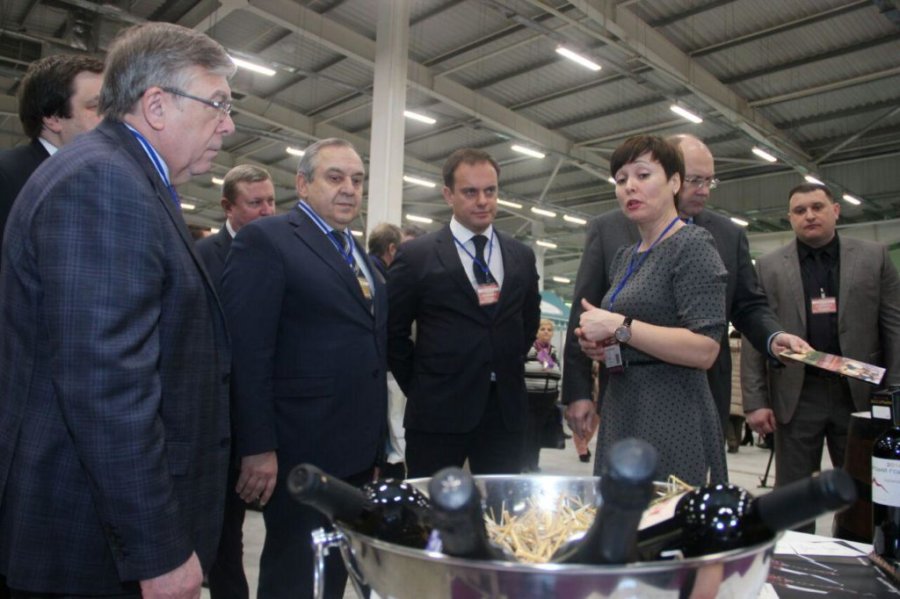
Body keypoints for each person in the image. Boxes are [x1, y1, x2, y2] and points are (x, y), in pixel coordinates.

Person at [0, 21, 235, 597]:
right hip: (86, 539)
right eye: (218, 104)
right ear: (156, 105)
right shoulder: (104, 182)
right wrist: (158, 551)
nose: (228, 125)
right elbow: (107, 388)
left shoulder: (125, 176)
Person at [563, 134, 808, 462]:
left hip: (690, 397)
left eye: (709, 181)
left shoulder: (720, 236)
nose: (703, 190)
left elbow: (746, 305)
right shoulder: (615, 239)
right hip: (625, 396)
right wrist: (587, 368)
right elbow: (587, 306)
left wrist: (772, 336)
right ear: (675, 175)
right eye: (695, 179)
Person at [222, 138, 387, 599]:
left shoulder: (357, 253)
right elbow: (247, 352)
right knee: (294, 575)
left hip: (355, 453)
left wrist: (376, 449)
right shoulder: (267, 240)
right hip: (299, 447)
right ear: (302, 184)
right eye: (335, 177)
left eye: (357, 180)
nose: (349, 188)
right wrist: (257, 446)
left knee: (333, 572)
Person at [741, 183, 900, 529]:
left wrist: (895, 393)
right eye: (800, 211)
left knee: (862, 491)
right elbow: (755, 338)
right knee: (794, 495)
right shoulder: (768, 266)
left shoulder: (874, 257)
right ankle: (793, 556)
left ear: (835, 210)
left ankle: (861, 553)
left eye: (817, 207)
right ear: (790, 218)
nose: (809, 216)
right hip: (797, 394)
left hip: (858, 392)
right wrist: (756, 401)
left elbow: (894, 327)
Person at [573, 135, 728, 486]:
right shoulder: (625, 257)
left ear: (674, 182)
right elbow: (633, 334)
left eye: (643, 175)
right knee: (618, 512)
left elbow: (705, 349)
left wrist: (618, 325)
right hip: (623, 405)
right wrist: (602, 345)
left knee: (665, 513)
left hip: (672, 410)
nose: (630, 186)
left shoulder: (693, 245)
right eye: (621, 179)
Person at [387, 147, 541, 478]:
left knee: (502, 506)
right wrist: (421, 385)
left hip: (505, 414)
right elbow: (392, 332)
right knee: (432, 507)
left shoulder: (521, 255)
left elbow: (528, 322)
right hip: (437, 413)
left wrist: (503, 360)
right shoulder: (416, 256)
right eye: (470, 192)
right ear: (448, 195)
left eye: (490, 191)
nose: (483, 201)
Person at [196, 164, 276, 599]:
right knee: (224, 534)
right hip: (218, 418)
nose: (267, 211)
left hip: (270, 413)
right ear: (228, 206)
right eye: (255, 203)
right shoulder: (204, 256)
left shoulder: (281, 250)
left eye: (271, 201)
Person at [0, 53, 103, 250]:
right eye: (96, 106)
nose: (112, 117)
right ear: (53, 118)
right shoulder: (6, 175)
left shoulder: (107, 181)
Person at [522, 319, 563, 472]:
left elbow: (557, 371)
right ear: (536, 332)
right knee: (527, 431)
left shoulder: (553, 351)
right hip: (529, 396)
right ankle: (523, 463)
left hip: (547, 398)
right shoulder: (529, 348)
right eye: (542, 329)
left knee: (538, 432)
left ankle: (533, 463)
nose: (546, 332)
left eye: (549, 329)